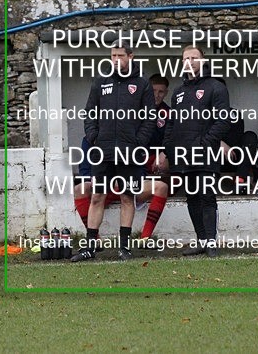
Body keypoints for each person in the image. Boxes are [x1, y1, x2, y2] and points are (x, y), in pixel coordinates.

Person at [71, 43, 155, 262]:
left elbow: (149, 117)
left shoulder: (142, 83)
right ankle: (90, 247)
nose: (116, 59)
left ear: (130, 56)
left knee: (127, 197)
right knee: (97, 196)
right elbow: (90, 112)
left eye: (120, 55)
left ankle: (124, 248)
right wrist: (94, 138)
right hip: (103, 151)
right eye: (113, 55)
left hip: (129, 152)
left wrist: (139, 142)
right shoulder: (101, 81)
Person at [159, 45, 230, 257]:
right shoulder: (179, 93)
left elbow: (223, 121)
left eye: (194, 57)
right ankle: (201, 240)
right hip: (183, 155)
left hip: (206, 153)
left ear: (202, 60)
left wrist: (206, 143)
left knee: (207, 196)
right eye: (186, 58)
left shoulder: (216, 87)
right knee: (192, 197)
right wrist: (168, 149)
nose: (189, 61)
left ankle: (211, 242)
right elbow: (171, 124)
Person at [72, 137, 170, 245]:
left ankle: (145, 239)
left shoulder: (131, 136)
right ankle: (94, 239)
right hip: (103, 188)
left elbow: (140, 168)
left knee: (161, 187)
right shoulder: (90, 138)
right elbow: (85, 171)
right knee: (79, 189)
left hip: (128, 187)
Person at [215, 77, 258, 194]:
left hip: (233, 158)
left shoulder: (234, 114)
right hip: (213, 161)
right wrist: (218, 142)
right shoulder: (200, 114)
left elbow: (236, 137)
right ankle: (208, 187)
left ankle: (240, 181)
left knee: (250, 136)